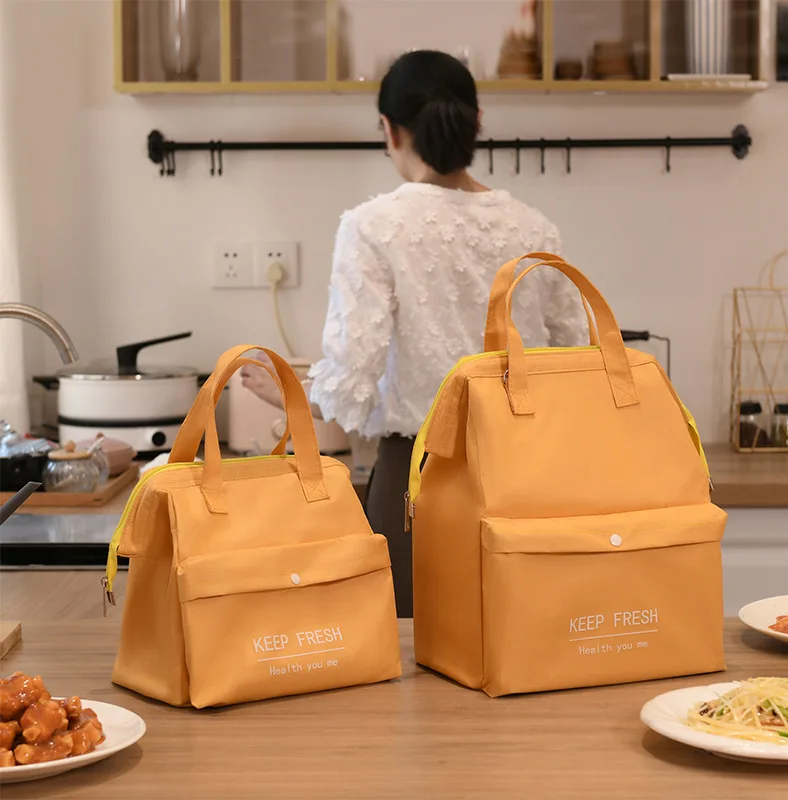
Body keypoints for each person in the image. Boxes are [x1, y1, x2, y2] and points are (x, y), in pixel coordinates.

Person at [242, 50, 588, 618]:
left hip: (418, 480)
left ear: (389, 129)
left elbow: (351, 379)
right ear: (477, 122)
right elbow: (573, 364)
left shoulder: (373, 227)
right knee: (525, 649)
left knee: (410, 668)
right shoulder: (534, 226)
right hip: (527, 477)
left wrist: (288, 393)